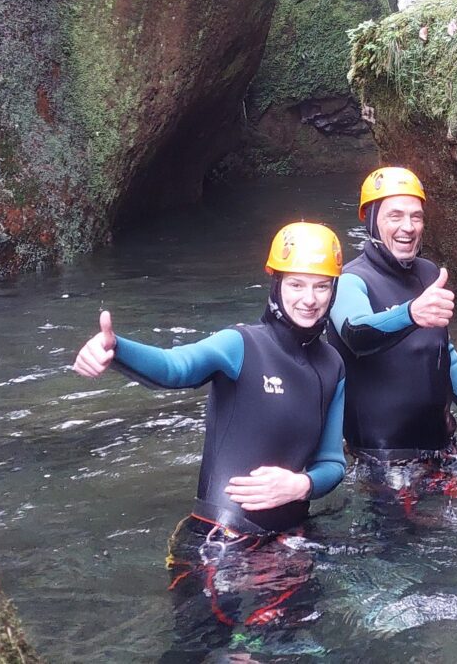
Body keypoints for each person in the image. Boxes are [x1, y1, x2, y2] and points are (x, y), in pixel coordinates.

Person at [71, 221, 347, 647]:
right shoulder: (241, 344)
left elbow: (333, 463)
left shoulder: (333, 365)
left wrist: (301, 484)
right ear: (275, 284)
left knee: (289, 650)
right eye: (296, 284)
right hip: (220, 544)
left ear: (333, 290)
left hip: (290, 543)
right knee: (203, 653)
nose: (309, 299)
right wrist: (116, 349)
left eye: (321, 287)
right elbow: (174, 367)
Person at [330, 167, 457, 463]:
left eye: (416, 216)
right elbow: (356, 334)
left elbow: (442, 351)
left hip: (441, 445)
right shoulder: (351, 281)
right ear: (371, 220)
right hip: (383, 456)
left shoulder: (429, 273)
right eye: (395, 216)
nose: (408, 227)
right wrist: (410, 314)